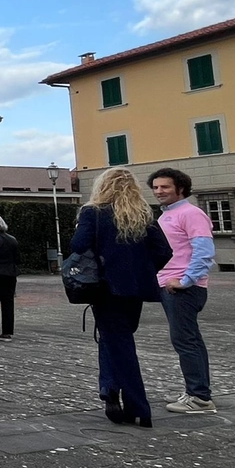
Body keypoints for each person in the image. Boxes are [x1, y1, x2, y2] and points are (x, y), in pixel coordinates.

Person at [71, 168, 172, 428]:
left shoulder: (93, 212)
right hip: (135, 289)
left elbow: (78, 247)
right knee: (116, 340)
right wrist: (142, 272)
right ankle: (109, 390)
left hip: (105, 288)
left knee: (121, 345)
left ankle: (139, 407)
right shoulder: (143, 214)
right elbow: (163, 251)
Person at [149, 167, 218, 414]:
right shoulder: (166, 215)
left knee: (186, 341)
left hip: (182, 290)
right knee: (189, 341)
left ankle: (199, 398)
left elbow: (204, 251)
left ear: (181, 188)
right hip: (172, 286)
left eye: (164, 187)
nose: (159, 191)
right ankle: (197, 392)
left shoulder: (190, 213)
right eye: (156, 187)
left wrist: (185, 281)